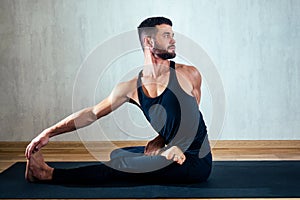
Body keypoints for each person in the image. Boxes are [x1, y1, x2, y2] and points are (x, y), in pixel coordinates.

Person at [25, 16, 212, 184]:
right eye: (166, 35)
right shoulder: (132, 87)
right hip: (172, 153)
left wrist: (173, 146)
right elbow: (92, 114)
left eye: (172, 35)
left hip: (193, 161)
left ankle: (46, 174)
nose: (173, 40)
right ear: (149, 41)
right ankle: (153, 161)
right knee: (119, 153)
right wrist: (49, 132)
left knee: (120, 164)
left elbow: (193, 115)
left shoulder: (188, 74)